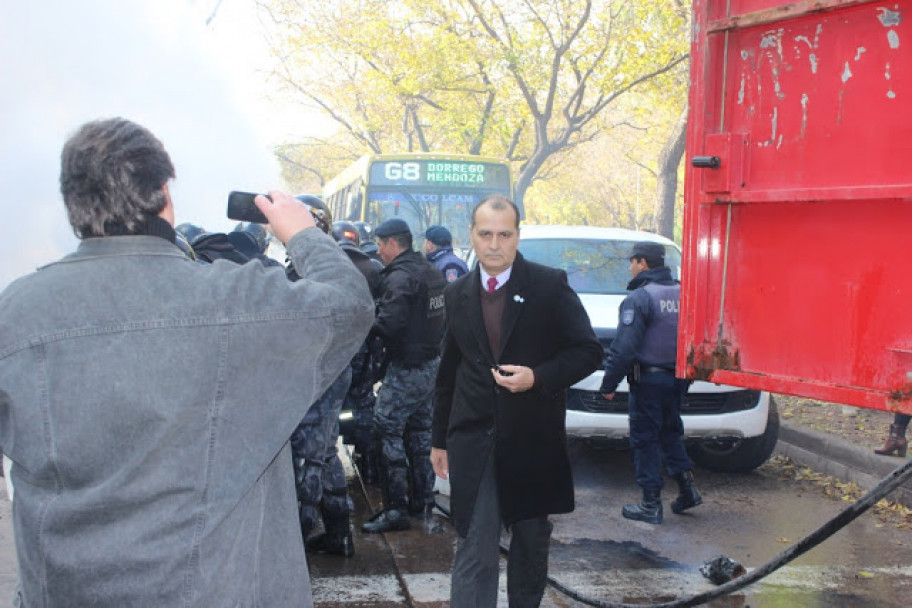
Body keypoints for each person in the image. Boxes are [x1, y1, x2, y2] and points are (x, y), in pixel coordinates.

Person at [0, 118, 374, 606]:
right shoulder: (235, 297)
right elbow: (349, 303)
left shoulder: (16, 313)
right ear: (163, 195)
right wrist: (301, 233)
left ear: (73, 205)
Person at [431, 195, 602, 607]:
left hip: (530, 439)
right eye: (485, 234)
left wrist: (537, 377)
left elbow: (588, 351)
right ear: (471, 235)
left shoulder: (548, 285)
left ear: (517, 236)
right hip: (473, 439)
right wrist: (439, 440)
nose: (494, 244)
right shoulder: (456, 294)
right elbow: (449, 372)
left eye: (504, 234)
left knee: (529, 541)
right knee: (474, 543)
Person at [599, 241, 703, 525]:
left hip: (649, 380)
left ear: (642, 263)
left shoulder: (640, 298)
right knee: (670, 432)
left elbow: (624, 348)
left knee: (645, 439)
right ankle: (688, 489)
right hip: (679, 378)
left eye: (632, 262)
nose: (630, 268)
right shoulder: (685, 294)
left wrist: (609, 385)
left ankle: (650, 504)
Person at [362, 218, 447, 533]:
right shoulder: (431, 271)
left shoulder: (400, 278)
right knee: (420, 432)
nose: (379, 253)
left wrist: (365, 320)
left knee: (387, 430)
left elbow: (389, 324)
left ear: (390, 244)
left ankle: (395, 508)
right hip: (431, 366)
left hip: (408, 367)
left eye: (380, 246)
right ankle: (422, 500)